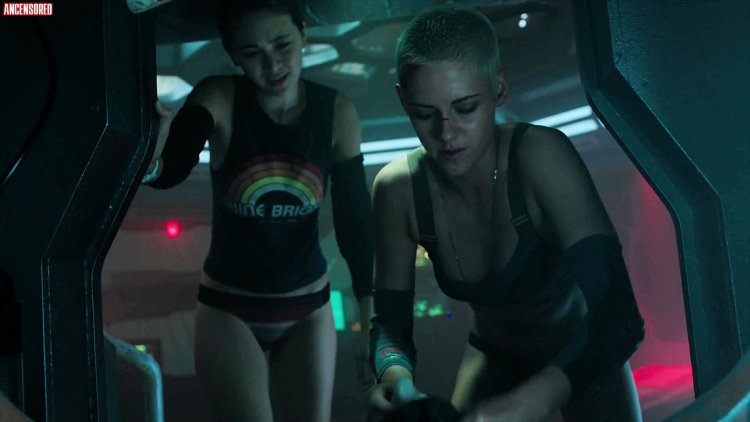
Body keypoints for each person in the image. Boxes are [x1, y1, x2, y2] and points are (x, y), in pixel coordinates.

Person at [367, 4, 645, 421]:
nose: (446, 133)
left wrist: (523, 405)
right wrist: (395, 377)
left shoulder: (540, 156)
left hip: (583, 356)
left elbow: (618, 317)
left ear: (498, 88)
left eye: (465, 108)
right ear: (403, 100)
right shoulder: (397, 189)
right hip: (492, 357)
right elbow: (390, 322)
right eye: (425, 114)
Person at [141, 0, 374, 420]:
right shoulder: (220, 96)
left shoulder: (336, 112)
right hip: (229, 309)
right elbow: (172, 166)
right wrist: (152, 160)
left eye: (282, 44)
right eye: (253, 53)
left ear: (304, 34)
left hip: (309, 308)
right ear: (234, 57)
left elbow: (355, 223)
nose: (273, 65)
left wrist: (371, 321)